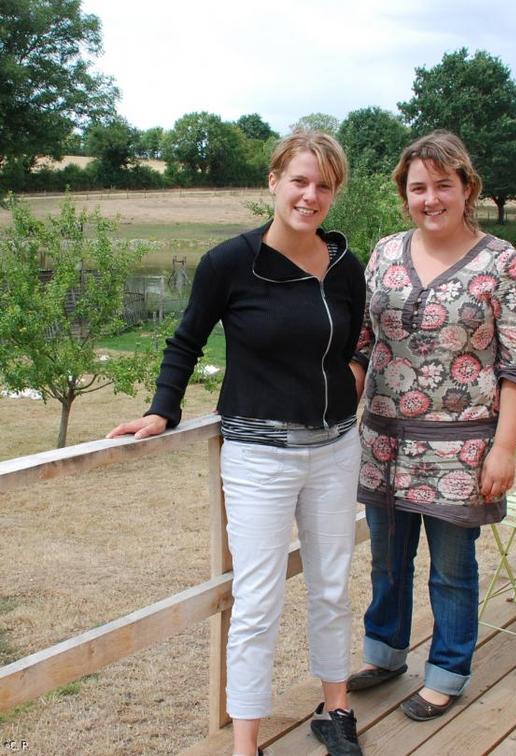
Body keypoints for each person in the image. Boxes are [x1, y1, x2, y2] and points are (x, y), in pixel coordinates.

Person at [108, 130, 366, 756]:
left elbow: (358, 340)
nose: (310, 195)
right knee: (258, 599)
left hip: (334, 448)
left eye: (324, 185)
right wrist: (161, 410)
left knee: (332, 585)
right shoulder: (230, 262)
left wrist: (350, 387)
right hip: (259, 455)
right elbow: (186, 339)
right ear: (273, 181)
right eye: (299, 180)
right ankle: (244, 744)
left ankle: (336, 711)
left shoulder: (343, 265)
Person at [346, 131, 516, 720]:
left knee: (453, 569)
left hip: (461, 450)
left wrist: (503, 448)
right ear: (405, 194)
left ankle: (449, 669)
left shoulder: (502, 261)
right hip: (384, 441)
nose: (430, 198)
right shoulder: (383, 253)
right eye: (418, 187)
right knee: (386, 560)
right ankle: (385, 653)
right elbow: (361, 342)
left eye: (442, 186)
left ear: (467, 188)